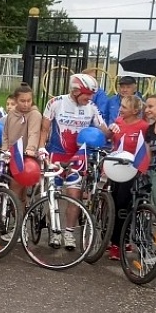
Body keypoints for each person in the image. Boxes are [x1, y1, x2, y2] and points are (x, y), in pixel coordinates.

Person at [39, 73, 109, 250]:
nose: (90, 98)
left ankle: (68, 233)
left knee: (74, 195)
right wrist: (41, 147)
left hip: (78, 159)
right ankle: (54, 231)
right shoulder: (56, 102)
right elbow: (44, 128)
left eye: (92, 94)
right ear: (76, 90)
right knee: (52, 194)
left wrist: (114, 130)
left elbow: (104, 131)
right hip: (56, 155)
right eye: (88, 94)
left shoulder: (91, 107)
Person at [107, 95, 148, 261]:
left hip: (132, 171)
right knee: (114, 204)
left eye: (124, 107)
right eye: (121, 106)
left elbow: (146, 148)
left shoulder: (144, 126)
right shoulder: (118, 121)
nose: (120, 109)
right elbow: (109, 139)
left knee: (124, 206)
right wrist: (110, 130)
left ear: (135, 110)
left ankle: (119, 242)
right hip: (115, 168)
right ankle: (113, 239)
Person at [1, 83, 42, 217]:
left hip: (25, 157)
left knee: (16, 188)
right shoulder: (12, 114)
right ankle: (16, 217)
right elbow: (5, 134)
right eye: (22, 101)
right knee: (14, 189)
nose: (25, 104)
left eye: (28, 101)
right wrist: (5, 149)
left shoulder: (34, 114)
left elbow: (34, 133)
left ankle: (18, 223)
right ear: (16, 100)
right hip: (11, 154)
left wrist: (30, 149)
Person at [144, 95, 156, 209]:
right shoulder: (149, 130)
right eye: (146, 107)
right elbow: (148, 155)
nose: (146, 110)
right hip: (153, 172)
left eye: (150, 107)